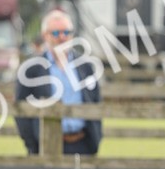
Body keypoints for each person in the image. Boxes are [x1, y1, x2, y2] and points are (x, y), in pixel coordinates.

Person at [14, 8, 102, 155]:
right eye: (55, 33)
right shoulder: (32, 69)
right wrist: (32, 143)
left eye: (66, 32)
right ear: (44, 36)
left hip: (82, 144)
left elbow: (96, 102)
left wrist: (96, 138)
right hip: (46, 145)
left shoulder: (85, 66)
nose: (62, 37)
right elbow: (20, 109)